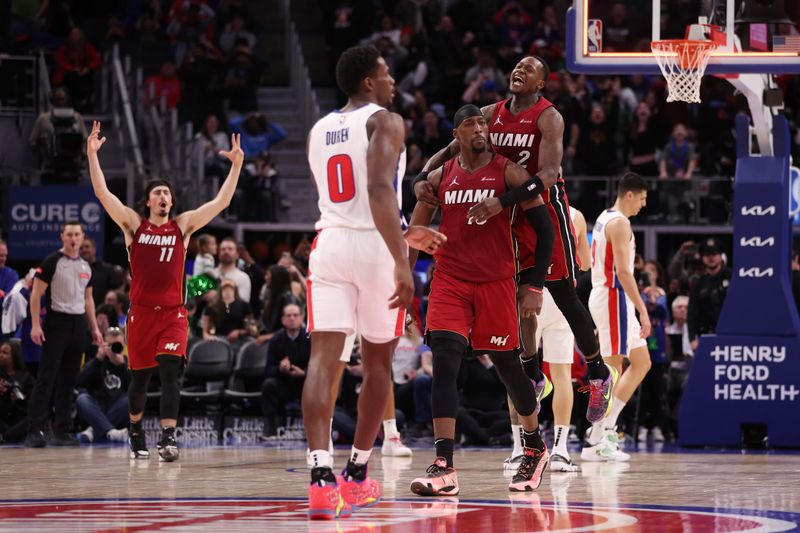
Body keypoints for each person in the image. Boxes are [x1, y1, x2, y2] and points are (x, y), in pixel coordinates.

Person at [416, 55, 615, 431]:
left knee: (559, 291)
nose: (519, 71)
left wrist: (502, 201)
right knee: (517, 296)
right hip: (505, 213)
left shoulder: (548, 116)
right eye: (517, 66)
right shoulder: (489, 113)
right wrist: (423, 177)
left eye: (530, 69)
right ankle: (532, 375)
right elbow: (450, 149)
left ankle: (599, 371)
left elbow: (550, 172)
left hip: (540, 204)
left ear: (541, 83)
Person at [302, 44, 445, 519]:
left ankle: (320, 479)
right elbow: (379, 189)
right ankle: (358, 475)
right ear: (368, 82)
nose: (392, 83)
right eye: (386, 75)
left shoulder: (318, 129)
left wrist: (402, 231)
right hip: (377, 248)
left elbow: (348, 199)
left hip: (330, 242)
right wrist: (403, 257)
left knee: (323, 360)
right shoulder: (386, 120)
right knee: (379, 362)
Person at [408, 104, 555, 496]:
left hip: (496, 281)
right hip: (450, 279)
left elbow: (545, 229)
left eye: (483, 122)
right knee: (444, 359)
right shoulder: (441, 177)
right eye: (471, 123)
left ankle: (535, 446)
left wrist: (535, 285)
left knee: (509, 366)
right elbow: (416, 227)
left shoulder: (509, 172)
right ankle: (444, 465)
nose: (480, 128)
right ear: (456, 134)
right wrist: (406, 276)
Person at [87, 120, 244, 462]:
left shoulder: (183, 226)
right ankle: (135, 428)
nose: (163, 196)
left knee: (171, 373)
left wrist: (236, 166)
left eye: (167, 194)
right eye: (157, 193)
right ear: (148, 202)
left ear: (172, 202)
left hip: (174, 314)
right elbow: (103, 194)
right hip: (141, 313)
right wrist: (92, 155)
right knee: (140, 381)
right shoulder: (133, 224)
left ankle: (169, 438)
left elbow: (221, 202)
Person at [513, 205, 590, 473]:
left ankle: (518, 449)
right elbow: (586, 263)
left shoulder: (522, 206)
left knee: (519, 372)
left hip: (527, 294)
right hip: (560, 298)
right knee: (561, 374)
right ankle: (560, 450)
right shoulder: (576, 215)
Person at [582, 173, 652, 462]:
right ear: (630, 194)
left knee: (641, 363)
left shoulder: (604, 216)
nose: (644, 205)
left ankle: (606, 427)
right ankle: (596, 438)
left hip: (610, 296)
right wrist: (643, 309)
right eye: (643, 198)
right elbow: (623, 272)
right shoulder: (620, 223)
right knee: (611, 369)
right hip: (612, 295)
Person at [25, 221, 103, 448]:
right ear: (62, 236)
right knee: (46, 378)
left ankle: (63, 432)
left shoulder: (86, 266)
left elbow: (88, 299)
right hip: (56, 322)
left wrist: (94, 329)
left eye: (77, 234)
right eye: (69, 234)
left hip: (78, 325)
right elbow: (36, 295)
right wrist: (36, 325)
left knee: (69, 380)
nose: (73, 238)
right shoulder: (51, 262)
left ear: (82, 237)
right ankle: (35, 430)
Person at [260, 303, 309, 440]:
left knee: (312, 386)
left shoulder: (309, 338)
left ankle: (310, 430)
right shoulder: (276, 339)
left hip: (304, 381)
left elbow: (317, 365)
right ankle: (271, 430)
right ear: (283, 320)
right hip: (284, 381)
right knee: (268, 385)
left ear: (302, 318)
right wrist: (280, 368)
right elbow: (268, 369)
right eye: (288, 316)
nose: (292, 318)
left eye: (295, 315)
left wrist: (304, 372)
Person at [75, 327, 130, 443]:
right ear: (103, 344)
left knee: (132, 399)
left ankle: (93, 430)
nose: (113, 348)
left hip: (116, 406)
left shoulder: (126, 363)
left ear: (124, 345)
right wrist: (97, 360)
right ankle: (111, 432)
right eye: (109, 345)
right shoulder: (97, 361)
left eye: (117, 345)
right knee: (82, 399)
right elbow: (80, 382)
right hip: (96, 405)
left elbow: (136, 387)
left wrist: (122, 366)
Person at [688, 238, 731, 351]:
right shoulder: (698, 284)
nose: (711, 258)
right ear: (702, 258)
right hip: (706, 335)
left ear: (721, 256)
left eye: (714, 254)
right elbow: (692, 312)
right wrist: (692, 338)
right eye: (707, 255)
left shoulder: (732, 278)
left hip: (730, 333)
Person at [0, 340, 35, 443]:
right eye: (0, 352)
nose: (0, 355)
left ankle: (6, 436)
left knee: (33, 418)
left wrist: (20, 398)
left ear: (14, 357)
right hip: (2, 419)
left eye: (5, 353)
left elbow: (33, 404)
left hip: (19, 419)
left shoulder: (26, 377)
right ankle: (8, 436)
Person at [79, 236, 120, 307]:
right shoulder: (75, 269)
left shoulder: (107, 269)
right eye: (81, 248)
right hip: (80, 311)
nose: (84, 250)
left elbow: (115, 291)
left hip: (103, 313)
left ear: (94, 249)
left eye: (87, 247)